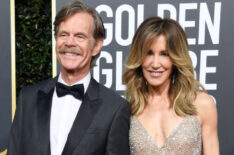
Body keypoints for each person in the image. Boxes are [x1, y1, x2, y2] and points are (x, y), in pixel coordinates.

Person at [7, 1, 130, 155]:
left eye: (80, 36)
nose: (70, 43)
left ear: (97, 46)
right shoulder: (28, 98)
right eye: (64, 35)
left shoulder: (114, 108)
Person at [123, 16, 219, 155]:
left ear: (176, 58)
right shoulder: (128, 111)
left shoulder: (202, 104)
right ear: (139, 58)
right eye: (148, 53)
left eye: (164, 54)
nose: (155, 64)